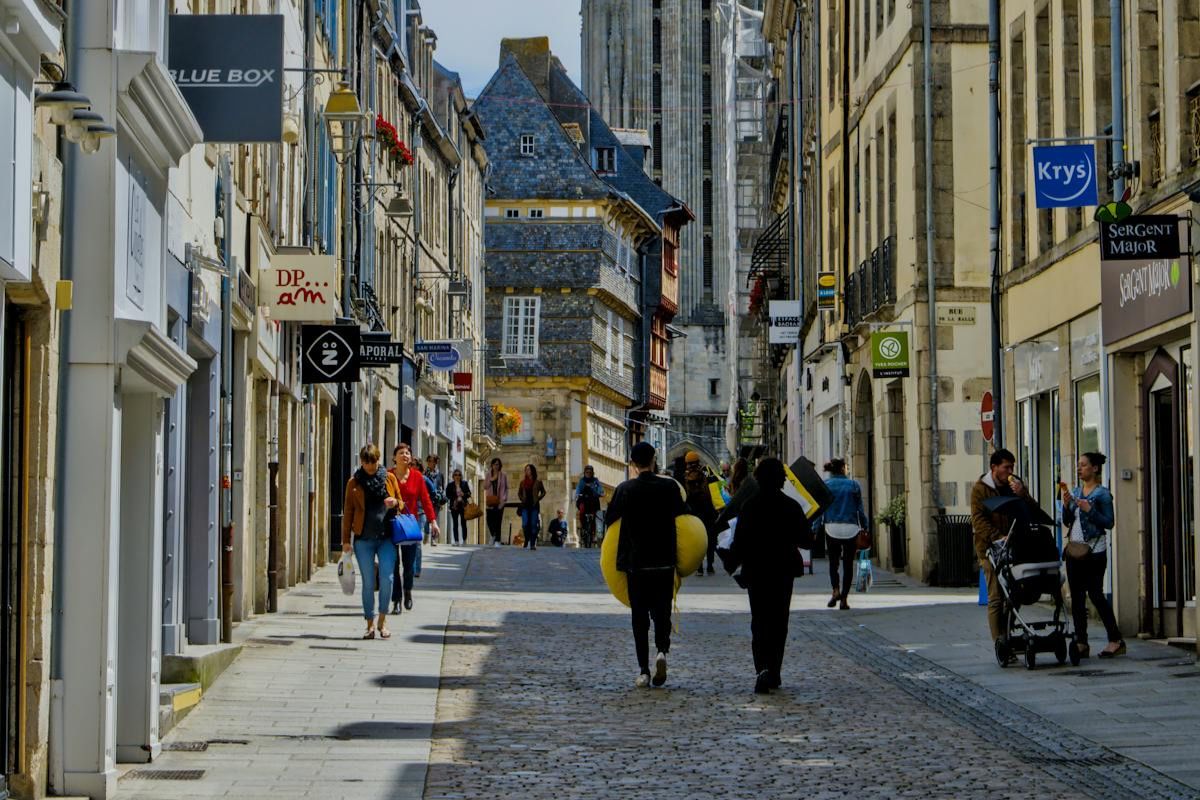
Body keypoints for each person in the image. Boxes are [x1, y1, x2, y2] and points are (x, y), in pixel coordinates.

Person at [606, 441, 687, 688]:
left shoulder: (625, 489)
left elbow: (609, 519)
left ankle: (643, 670)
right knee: (662, 611)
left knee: (639, 617)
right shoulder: (669, 487)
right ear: (654, 460)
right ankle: (662, 650)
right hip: (663, 561)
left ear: (633, 464)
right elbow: (685, 516)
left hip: (636, 562)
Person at [728, 458, 812, 694]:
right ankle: (774, 670)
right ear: (781, 480)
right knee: (779, 621)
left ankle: (762, 668)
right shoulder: (791, 506)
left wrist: (731, 561)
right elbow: (805, 539)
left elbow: (740, 540)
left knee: (760, 620)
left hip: (757, 571)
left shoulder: (750, 505)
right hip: (783, 571)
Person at [970, 448, 1040, 650]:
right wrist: (998, 537)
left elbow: (1032, 511)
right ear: (994, 468)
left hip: (1016, 547)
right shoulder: (980, 489)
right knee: (996, 596)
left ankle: (1007, 630)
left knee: (1015, 593)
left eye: (1012, 467)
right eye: (1006, 467)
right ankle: (1000, 642)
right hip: (989, 549)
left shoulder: (1014, 484)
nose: (1010, 471)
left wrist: (1024, 495)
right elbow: (978, 520)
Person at [1061, 452, 1124, 659]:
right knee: (1077, 599)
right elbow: (1068, 521)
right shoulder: (1077, 491)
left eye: (1083, 465)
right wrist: (1066, 505)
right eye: (1078, 465)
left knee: (1096, 595)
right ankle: (1081, 642)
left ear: (1095, 468)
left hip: (1095, 552)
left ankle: (1115, 640)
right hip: (1074, 551)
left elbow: (1109, 522)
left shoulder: (1103, 494)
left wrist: (1089, 510)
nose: (1079, 469)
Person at [341, 444, 402, 639]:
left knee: (387, 579)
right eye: (366, 463)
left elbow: (402, 504)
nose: (370, 467)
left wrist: (394, 502)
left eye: (373, 462)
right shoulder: (354, 482)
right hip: (363, 539)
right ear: (361, 461)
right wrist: (345, 541)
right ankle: (369, 624)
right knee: (368, 582)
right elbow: (348, 511)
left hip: (386, 538)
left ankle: (383, 621)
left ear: (379, 460)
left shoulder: (389, 478)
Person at [388, 443, 438, 614]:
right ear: (394, 457)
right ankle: (396, 600)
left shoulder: (417, 477)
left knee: (409, 565)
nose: (405, 455)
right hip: (391, 524)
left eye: (408, 453)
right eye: (401, 453)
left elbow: (425, 500)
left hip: (410, 524)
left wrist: (433, 521)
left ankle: (407, 591)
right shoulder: (388, 475)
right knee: (394, 564)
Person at [819, 458, 868, 610]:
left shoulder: (825, 485)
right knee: (848, 564)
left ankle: (835, 590)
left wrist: (814, 529)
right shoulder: (854, 485)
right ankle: (844, 599)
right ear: (842, 469)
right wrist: (865, 527)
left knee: (833, 563)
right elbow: (860, 510)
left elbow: (820, 509)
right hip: (850, 528)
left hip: (831, 527)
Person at [682, 452, 719, 575]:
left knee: (697, 539)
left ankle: (699, 567)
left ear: (687, 463)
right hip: (708, 511)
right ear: (698, 461)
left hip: (693, 513)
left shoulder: (684, 476)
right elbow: (716, 489)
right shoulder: (707, 473)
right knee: (710, 538)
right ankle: (709, 565)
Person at [518, 464, 547, 549]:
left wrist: (538, 498)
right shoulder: (522, 482)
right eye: (526, 470)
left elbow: (543, 492)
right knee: (525, 524)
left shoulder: (538, 482)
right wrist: (521, 499)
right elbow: (519, 493)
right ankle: (527, 538)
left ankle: (533, 543)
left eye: (528, 469)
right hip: (525, 506)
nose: (527, 471)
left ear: (532, 471)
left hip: (534, 506)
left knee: (534, 524)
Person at [575, 465, 605, 547]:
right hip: (584, 501)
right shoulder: (582, 481)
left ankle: (595, 533)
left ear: (592, 473)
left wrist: (600, 493)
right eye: (587, 472)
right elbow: (578, 490)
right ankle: (582, 525)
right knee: (581, 511)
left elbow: (600, 490)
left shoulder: (595, 481)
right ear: (584, 473)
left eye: (590, 472)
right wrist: (577, 495)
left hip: (593, 501)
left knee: (597, 516)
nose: (588, 474)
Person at [445, 468, 471, 546]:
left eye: (459, 475)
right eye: (456, 475)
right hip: (454, 506)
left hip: (463, 506)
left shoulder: (464, 483)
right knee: (455, 523)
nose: (457, 476)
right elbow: (447, 495)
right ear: (453, 476)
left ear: (461, 476)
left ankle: (464, 540)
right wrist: (454, 497)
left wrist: (464, 494)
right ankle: (456, 541)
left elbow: (469, 493)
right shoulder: (450, 485)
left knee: (463, 523)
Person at [425, 454, 446, 546]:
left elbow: (442, 488)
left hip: (437, 500)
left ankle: (433, 539)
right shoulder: (425, 474)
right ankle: (426, 533)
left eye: (432, 461)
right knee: (427, 519)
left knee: (434, 518)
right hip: (426, 499)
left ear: (435, 462)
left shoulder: (440, 475)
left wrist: (441, 502)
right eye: (428, 461)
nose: (430, 463)